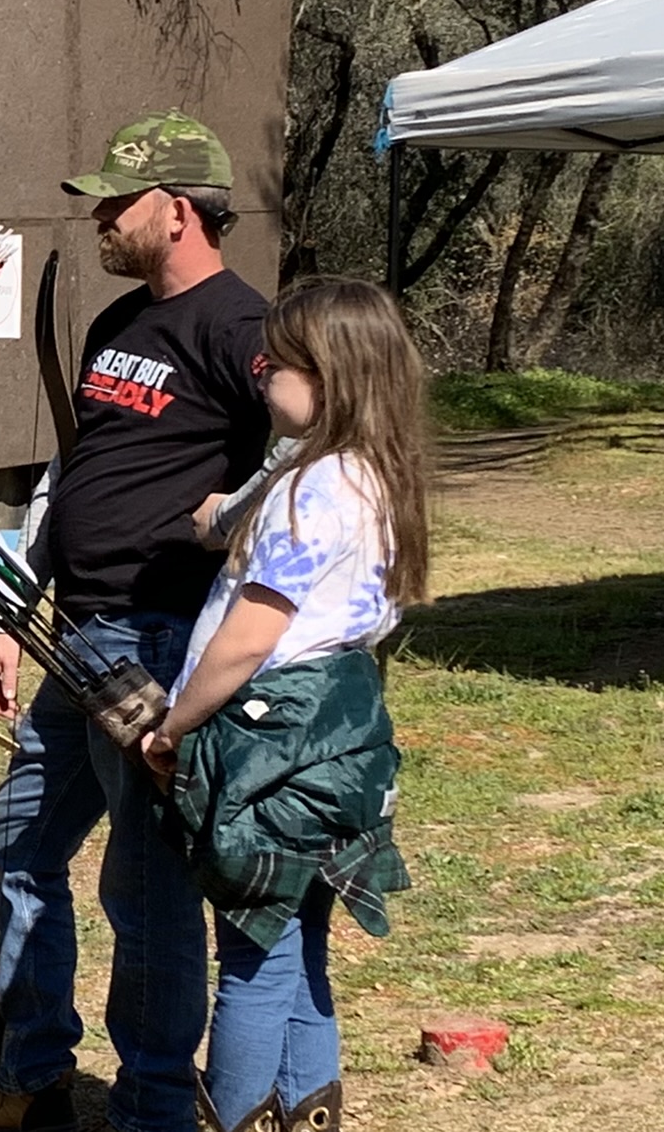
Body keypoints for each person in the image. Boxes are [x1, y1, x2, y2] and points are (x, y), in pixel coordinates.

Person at [0, 111, 272, 1132]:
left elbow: (307, 471)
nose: (99, 217)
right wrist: (13, 612)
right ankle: (40, 1076)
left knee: (146, 894)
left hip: (161, 641)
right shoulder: (115, 327)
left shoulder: (246, 333)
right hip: (76, 638)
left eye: (117, 200)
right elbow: (75, 479)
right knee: (18, 841)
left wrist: (231, 541)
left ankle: (153, 1110)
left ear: (178, 210)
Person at [140, 277, 425, 1132]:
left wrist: (176, 720)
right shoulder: (375, 473)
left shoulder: (313, 490)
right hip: (341, 733)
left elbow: (252, 634)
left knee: (253, 956)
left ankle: (232, 1117)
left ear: (327, 376)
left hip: (275, 741)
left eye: (278, 364)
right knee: (298, 939)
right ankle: (306, 1112)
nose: (262, 377)